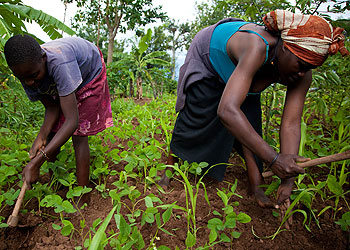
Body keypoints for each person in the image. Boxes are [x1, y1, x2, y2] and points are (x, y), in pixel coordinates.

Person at [159, 9, 348, 226]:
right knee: (196, 115)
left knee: (249, 125)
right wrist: (274, 159)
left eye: (310, 69)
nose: (302, 74)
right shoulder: (258, 47)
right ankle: (169, 168)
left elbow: (291, 123)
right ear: (285, 48)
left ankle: (255, 185)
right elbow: (227, 111)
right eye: (301, 66)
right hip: (210, 54)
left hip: (244, 70)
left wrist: (288, 180)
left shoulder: (302, 73)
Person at [4, 35, 114, 196]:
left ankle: (83, 196)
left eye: (33, 76)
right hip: (64, 70)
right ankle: (56, 185)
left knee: (79, 136)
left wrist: (36, 163)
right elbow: (52, 108)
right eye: (23, 79)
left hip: (90, 73)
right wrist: (41, 136)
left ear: (43, 59)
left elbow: (72, 121)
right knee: (51, 135)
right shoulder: (28, 70)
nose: (29, 83)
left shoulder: (59, 63)